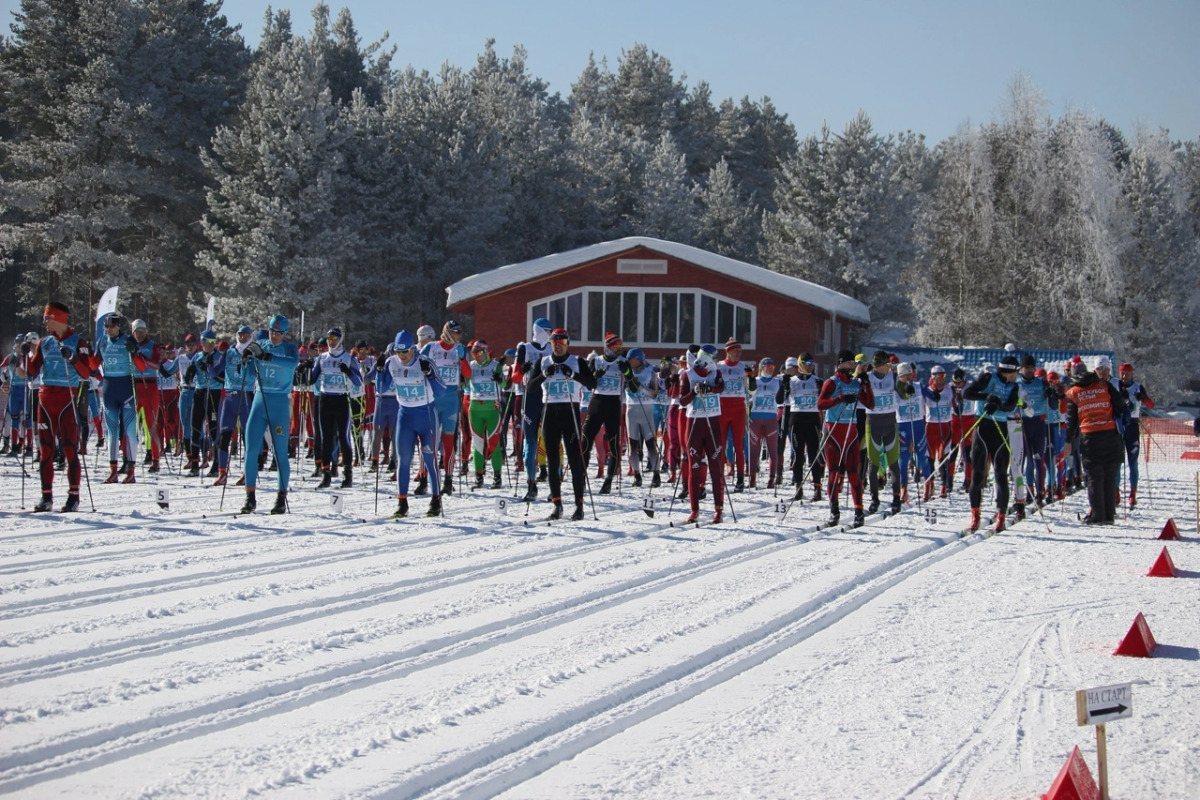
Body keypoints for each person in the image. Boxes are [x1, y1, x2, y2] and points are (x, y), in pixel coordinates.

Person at [22, 302, 92, 512]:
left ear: (58, 318)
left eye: (47, 318)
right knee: (45, 450)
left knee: (70, 448)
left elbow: (86, 373)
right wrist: (25, 357)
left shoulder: (77, 341)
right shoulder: (45, 342)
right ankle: (46, 497)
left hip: (67, 399)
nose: (44, 323)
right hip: (45, 399)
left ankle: (73, 497)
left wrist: (71, 357)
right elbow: (32, 370)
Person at [525, 328, 598, 520]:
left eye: (562, 343)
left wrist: (572, 374)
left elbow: (592, 384)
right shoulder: (543, 362)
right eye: (555, 343)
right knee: (552, 460)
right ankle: (557, 505)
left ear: (567, 344)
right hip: (549, 412)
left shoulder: (577, 361)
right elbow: (530, 387)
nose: (558, 346)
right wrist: (543, 375)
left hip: (570, 412)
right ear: (551, 344)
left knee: (575, 460)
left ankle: (579, 506)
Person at [238, 315, 300, 514]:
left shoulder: (289, 348)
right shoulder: (261, 343)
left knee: (280, 452)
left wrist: (267, 357)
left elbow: (291, 364)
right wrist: (245, 359)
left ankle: (281, 497)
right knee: (250, 449)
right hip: (259, 400)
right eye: (273, 332)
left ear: (285, 334)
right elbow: (244, 374)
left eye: (279, 333)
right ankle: (250, 497)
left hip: (280, 402)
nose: (275, 336)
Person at [386, 330, 446, 517]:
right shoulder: (392, 363)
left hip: (426, 415)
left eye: (405, 352)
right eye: (398, 352)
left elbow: (442, 392)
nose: (402, 357)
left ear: (413, 349)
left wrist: (430, 376)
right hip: (405, 415)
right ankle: (402, 502)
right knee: (403, 460)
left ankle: (436, 499)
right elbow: (381, 387)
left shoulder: (425, 362)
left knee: (429, 459)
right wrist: (379, 371)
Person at [1063, 358, 1126, 524]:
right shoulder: (1103, 384)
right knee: (1109, 474)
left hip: (1090, 435)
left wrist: (1068, 441)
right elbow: (1120, 401)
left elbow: (1071, 420)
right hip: (1110, 433)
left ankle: (1097, 515)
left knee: (1094, 476)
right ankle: (1109, 514)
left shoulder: (1073, 392)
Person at [962, 355, 1021, 533]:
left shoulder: (1014, 385)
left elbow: (1011, 405)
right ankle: (975, 517)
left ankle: (1001, 517)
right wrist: (987, 396)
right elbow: (967, 393)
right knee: (978, 474)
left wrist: (998, 405)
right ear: (1009, 371)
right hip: (982, 426)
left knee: (1001, 474)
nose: (1017, 375)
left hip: (1000, 429)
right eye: (1016, 372)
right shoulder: (988, 378)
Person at [816, 349, 874, 528]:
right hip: (833, 430)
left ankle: (859, 512)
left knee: (853, 473)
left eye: (853, 364)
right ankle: (834, 511)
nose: (853, 366)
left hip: (851, 431)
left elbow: (870, 404)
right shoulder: (831, 382)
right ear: (841, 363)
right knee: (833, 471)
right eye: (850, 363)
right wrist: (840, 399)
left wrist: (867, 385)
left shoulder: (856, 383)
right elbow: (820, 404)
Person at [678, 346, 726, 524]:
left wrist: (710, 389)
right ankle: (694, 510)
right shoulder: (688, 375)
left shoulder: (715, 373)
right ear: (706, 358)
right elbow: (682, 400)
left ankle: (718, 509)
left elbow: (721, 387)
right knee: (694, 468)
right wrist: (694, 391)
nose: (716, 361)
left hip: (713, 423)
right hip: (695, 425)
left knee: (715, 468)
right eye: (714, 358)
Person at [311, 328, 363, 488]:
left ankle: (348, 476)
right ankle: (326, 474)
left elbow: (359, 382)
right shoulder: (322, 358)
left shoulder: (348, 358)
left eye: (334, 338)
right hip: (325, 399)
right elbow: (312, 379)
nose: (331, 341)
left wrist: (348, 372)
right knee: (326, 438)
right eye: (329, 338)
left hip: (341, 400)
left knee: (343, 437)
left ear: (340, 340)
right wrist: (305, 369)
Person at [421, 321, 469, 495]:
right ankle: (424, 478)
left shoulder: (459, 349)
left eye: (461, 333)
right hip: (432, 400)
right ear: (448, 332)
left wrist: (463, 358)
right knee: (428, 441)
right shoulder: (431, 348)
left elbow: (468, 375)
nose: (459, 336)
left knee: (448, 441)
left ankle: (448, 480)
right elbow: (417, 367)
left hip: (451, 401)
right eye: (457, 332)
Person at [93, 314, 141, 483]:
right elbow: (92, 365)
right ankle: (113, 471)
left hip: (126, 388)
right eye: (106, 326)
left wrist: (134, 352)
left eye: (111, 326)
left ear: (118, 326)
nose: (108, 329)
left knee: (129, 431)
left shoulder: (128, 339)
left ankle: (131, 471)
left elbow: (141, 366)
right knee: (112, 432)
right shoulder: (102, 341)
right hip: (109, 389)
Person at [514, 318, 554, 502]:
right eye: (547, 331)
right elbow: (515, 377)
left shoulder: (552, 348)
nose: (550, 334)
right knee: (530, 443)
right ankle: (531, 484)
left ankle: (555, 486)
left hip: (548, 399)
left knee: (551, 442)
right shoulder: (524, 348)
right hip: (529, 399)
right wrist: (523, 369)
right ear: (538, 330)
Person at [581, 332, 626, 494]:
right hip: (597, 402)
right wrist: (595, 375)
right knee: (585, 439)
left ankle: (608, 480)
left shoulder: (623, 362)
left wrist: (627, 372)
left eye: (620, 346)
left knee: (614, 443)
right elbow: (588, 384)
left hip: (614, 403)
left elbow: (633, 387)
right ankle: (581, 475)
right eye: (616, 346)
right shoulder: (597, 361)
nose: (619, 349)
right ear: (608, 347)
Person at [212, 324, 256, 486]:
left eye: (246, 335)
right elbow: (214, 371)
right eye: (240, 334)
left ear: (250, 336)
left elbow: (256, 372)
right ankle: (222, 472)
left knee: (247, 437)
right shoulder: (229, 352)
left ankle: (247, 472)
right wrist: (208, 364)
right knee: (223, 435)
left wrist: (249, 364)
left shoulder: (253, 352)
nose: (242, 337)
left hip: (246, 396)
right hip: (229, 396)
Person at [864, 350, 902, 515]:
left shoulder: (893, 377)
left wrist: (907, 390)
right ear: (880, 366)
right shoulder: (867, 377)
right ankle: (874, 499)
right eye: (888, 364)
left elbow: (904, 393)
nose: (890, 367)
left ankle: (896, 498)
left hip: (890, 422)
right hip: (873, 423)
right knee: (874, 463)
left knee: (893, 462)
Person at [715, 339, 755, 492]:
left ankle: (740, 479)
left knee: (739, 445)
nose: (738, 354)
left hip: (738, 408)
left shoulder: (743, 367)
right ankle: (719, 476)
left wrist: (751, 378)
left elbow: (752, 391)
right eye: (735, 351)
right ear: (728, 351)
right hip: (722, 407)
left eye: (740, 352)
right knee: (721, 444)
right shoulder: (719, 367)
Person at [465, 339, 506, 489]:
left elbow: (504, 384)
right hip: (475, 407)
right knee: (478, 444)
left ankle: (497, 476)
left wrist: (500, 378)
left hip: (492, 408)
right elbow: (464, 382)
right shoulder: (471, 366)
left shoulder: (495, 366)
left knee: (494, 444)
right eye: (474, 353)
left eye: (479, 352)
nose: (476, 356)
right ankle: (479, 476)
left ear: (486, 352)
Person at [1116, 362, 1154, 508]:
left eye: (1127, 373)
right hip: (1120, 426)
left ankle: (1133, 493)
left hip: (1132, 425)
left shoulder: (1138, 387)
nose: (1124, 376)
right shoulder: (1116, 385)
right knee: (1118, 461)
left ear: (1132, 374)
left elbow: (1151, 405)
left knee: (1133, 462)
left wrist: (1143, 397)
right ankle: (1116, 492)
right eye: (1122, 373)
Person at [184, 330, 222, 477]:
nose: (203, 344)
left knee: (213, 430)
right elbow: (190, 372)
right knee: (195, 428)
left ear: (212, 342)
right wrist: (189, 374)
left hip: (214, 393)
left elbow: (223, 378)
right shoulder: (198, 356)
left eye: (206, 341)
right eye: (202, 341)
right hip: (199, 392)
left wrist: (210, 369)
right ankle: (194, 464)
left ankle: (216, 465)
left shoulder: (219, 356)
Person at [129, 319, 165, 472]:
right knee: (130, 425)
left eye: (143, 331)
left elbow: (157, 365)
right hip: (134, 386)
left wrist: (142, 358)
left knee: (152, 425)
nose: (140, 334)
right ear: (133, 332)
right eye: (137, 331)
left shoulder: (153, 346)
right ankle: (128, 461)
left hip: (149, 386)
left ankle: (155, 460)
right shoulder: (130, 345)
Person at [621, 347, 661, 488]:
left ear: (638, 359)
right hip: (631, 410)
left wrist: (641, 387)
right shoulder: (626, 370)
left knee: (650, 445)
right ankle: (637, 475)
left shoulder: (650, 371)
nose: (629, 362)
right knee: (633, 445)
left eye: (631, 359)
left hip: (646, 408)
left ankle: (656, 474)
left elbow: (654, 394)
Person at [895, 362, 934, 503]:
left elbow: (932, 395)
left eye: (910, 374)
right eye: (905, 375)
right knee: (903, 459)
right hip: (902, 426)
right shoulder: (896, 389)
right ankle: (903, 489)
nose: (908, 377)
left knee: (922, 457)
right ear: (900, 375)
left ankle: (928, 485)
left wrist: (935, 395)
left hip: (918, 424)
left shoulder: (919, 386)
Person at [748, 357, 780, 489]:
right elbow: (748, 394)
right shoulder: (754, 381)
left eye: (772, 367)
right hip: (755, 418)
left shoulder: (777, 382)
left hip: (771, 418)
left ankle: (772, 479)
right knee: (754, 450)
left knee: (773, 451)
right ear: (761, 368)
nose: (770, 370)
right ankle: (752, 478)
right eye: (767, 367)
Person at [923, 365, 956, 497]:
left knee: (943, 457)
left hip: (945, 427)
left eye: (944, 376)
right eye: (939, 376)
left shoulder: (950, 390)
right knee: (929, 458)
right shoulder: (927, 391)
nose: (942, 379)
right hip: (930, 427)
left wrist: (958, 406)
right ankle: (929, 485)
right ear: (933, 377)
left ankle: (944, 485)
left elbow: (955, 403)